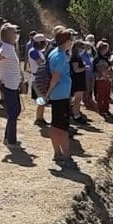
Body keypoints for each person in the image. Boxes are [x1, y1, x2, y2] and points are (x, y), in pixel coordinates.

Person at [42, 29, 75, 166]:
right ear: (66, 41)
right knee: (61, 127)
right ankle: (66, 155)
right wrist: (47, 93)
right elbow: (55, 78)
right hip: (60, 95)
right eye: (70, 40)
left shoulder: (54, 53)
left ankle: (57, 152)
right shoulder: (60, 57)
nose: (72, 43)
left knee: (56, 124)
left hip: (58, 95)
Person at [0, 23, 23, 148]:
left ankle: (7, 137)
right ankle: (11, 140)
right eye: (15, 33)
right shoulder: (7, 48)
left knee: (15, 111)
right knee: (13, 112)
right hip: (9, 84)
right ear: (9, 35)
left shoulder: (9, 47)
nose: (16, 35)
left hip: (13, 84)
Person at [28, 33, 49, 128]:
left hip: (40, 77)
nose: (45, 44)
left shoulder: (38, 51)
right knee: (42, 98)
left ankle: (41, 117)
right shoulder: (33, 51)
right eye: (44, 42)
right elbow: (40, 62)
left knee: (44, 98)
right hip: (37, 78)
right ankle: (38, 118)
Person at [69, 40, 89, 124]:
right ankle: (76, 115)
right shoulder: (75, 57)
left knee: (77, 99)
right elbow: (76, 69)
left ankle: (75, 114)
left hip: (79, 79)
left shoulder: (77, 56)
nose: (83, 49)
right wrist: (85, 68)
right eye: (82, 48)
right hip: (77, 80)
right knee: (77, 100)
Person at [93, 41, 113, 117]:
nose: (106, 50)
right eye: (105, 49)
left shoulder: (106, 58)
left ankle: (106, 109)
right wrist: (102, 74)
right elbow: (95, 70)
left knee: (107, 94)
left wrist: (110, 75)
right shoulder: (97, 58)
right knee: (101, 95)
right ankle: (101, 109)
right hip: (100, 79)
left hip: (107, 79)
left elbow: (110, 67)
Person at [81, 38, 97, 111]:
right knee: (86, 88)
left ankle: (90, 99)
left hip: (92, 74)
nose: (89, 48)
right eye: (87, 47)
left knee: (91, 88)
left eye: (90, 47)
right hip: (85, 74)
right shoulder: (81, 55)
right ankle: (85, 100)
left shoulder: (90, 55)